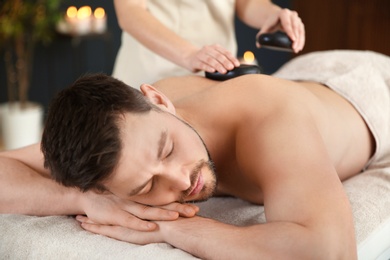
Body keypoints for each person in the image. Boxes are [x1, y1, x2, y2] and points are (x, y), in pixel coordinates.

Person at [1, 50, 390, 259]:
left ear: (157, 99)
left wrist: (168, 228)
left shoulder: (270, 117)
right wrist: (82, 198)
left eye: (167, 148)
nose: (181, 179)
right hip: (303, 77)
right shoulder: (118, 142)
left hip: (369, 89)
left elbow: (330, 252)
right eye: (147, 185)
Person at [112, 0, 305, 89]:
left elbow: (245, 2)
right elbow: (130, 11)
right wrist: (189, 55)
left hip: (215, 78)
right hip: (151, 76)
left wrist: (272, 15)